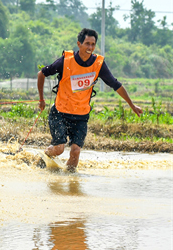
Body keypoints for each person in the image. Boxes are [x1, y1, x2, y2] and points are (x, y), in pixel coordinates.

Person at [37, 28, 142, 171]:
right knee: (59, 149)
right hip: (60, 112)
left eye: (93, 44)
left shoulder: (98, 64)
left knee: (75, 152)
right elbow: (41, 74)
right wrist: (41, 99)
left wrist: (132, 105)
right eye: (87, 43)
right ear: (79, 44)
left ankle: (69, 184)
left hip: (81, 115)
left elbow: (115, 84)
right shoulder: (66, 60)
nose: (90, 48)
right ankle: (43, 157)